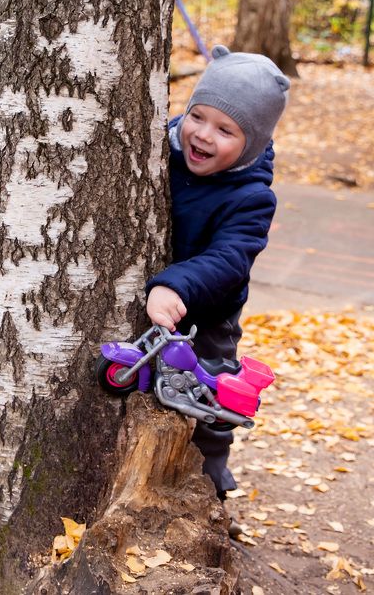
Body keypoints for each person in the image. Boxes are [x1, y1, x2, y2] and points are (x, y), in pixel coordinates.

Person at [144, 45, 290, 529]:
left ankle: (212, 486)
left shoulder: (251, 198)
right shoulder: (161, 149)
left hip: (208, 314)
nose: (202, 135)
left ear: (251, 143)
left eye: (225, 130)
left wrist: (176, 286)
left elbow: (229, 259)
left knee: (215, 401)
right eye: (197, 116)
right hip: (158, 299)